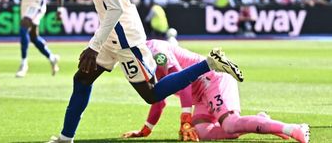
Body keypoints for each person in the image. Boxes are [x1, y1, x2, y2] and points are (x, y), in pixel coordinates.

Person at [47, 0, 243, 143]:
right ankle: (65, 137)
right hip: (114, 32)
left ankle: (209, 63)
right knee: (82, 79)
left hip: (124, 37)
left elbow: (115, 7)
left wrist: (93, 46)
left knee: (152, 94)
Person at [122, 39, 310, 143]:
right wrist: (145, 130)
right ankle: (262, 121)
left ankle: (294, 129)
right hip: (200, 95)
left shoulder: (156, 51)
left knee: (230, 125)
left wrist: (185, 117)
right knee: (203, 133)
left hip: (212, 79)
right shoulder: (139, 62)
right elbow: (158, 98)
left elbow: (183, 81)